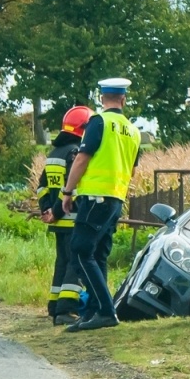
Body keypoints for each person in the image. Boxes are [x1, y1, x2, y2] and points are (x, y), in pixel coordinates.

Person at [60, 78, 142, 332]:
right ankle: (95, 311)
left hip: (95, 197)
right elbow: (132, 169)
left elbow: (83, 158)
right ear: (123, 99)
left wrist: (67, 191)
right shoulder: (133, 130)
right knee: (98, 255)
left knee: (81, 251)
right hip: (116, 199)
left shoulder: (99, 122)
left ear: (101, 97)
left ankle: (106, 311)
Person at [35, 105, 93, 325]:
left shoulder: (54, 154)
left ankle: (54, 305)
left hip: (58, 222)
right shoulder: (75, 153)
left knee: (62, 262)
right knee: (75, 264)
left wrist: (46, 210)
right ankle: (66, 310)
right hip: (72, 219)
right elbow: (72, 186)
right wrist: (57, 211)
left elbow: (41, 187)